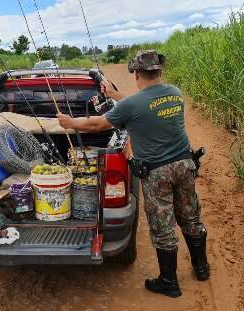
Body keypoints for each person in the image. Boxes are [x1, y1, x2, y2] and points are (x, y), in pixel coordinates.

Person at [57, 50, 210, 298]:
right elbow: (145, 106)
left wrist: (69, 122)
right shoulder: (175, 93)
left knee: (163, 228)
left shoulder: (132, 105)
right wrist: (116, 95)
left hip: (158, 174)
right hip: (185, 166)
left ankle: (169, 282)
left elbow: (98, 124)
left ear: (137, 74)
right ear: (159, 72)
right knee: (190, 218)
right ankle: (202, 268)